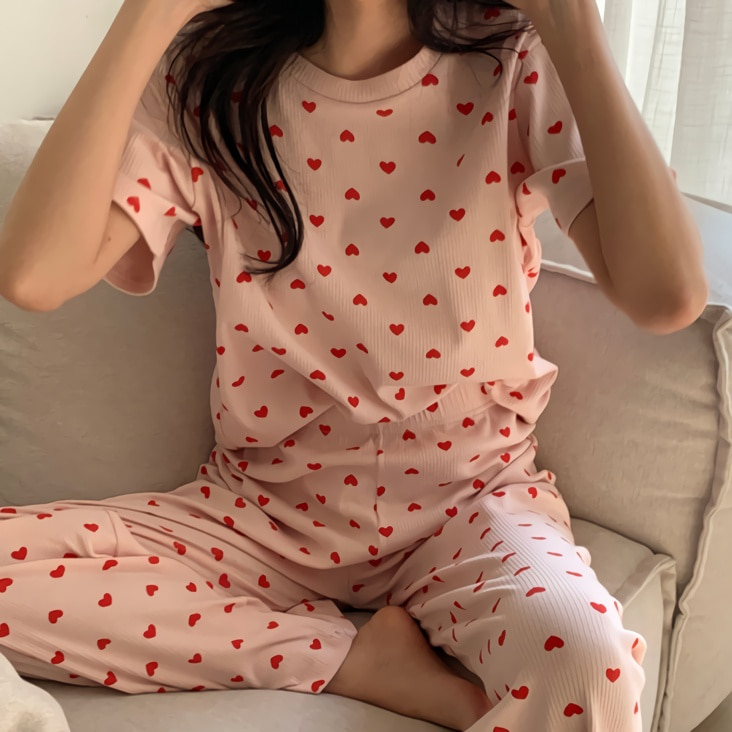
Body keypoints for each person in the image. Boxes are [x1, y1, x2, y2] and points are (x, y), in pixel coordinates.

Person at [0, 0, 650, 729]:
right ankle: (345, 660)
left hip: (470, 503)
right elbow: (34, 275)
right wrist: (152, 11)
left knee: (585, 662)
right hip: (263, 514)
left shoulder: (511, 54)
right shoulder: (206, 75)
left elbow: (667, 295)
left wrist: (573, 22)